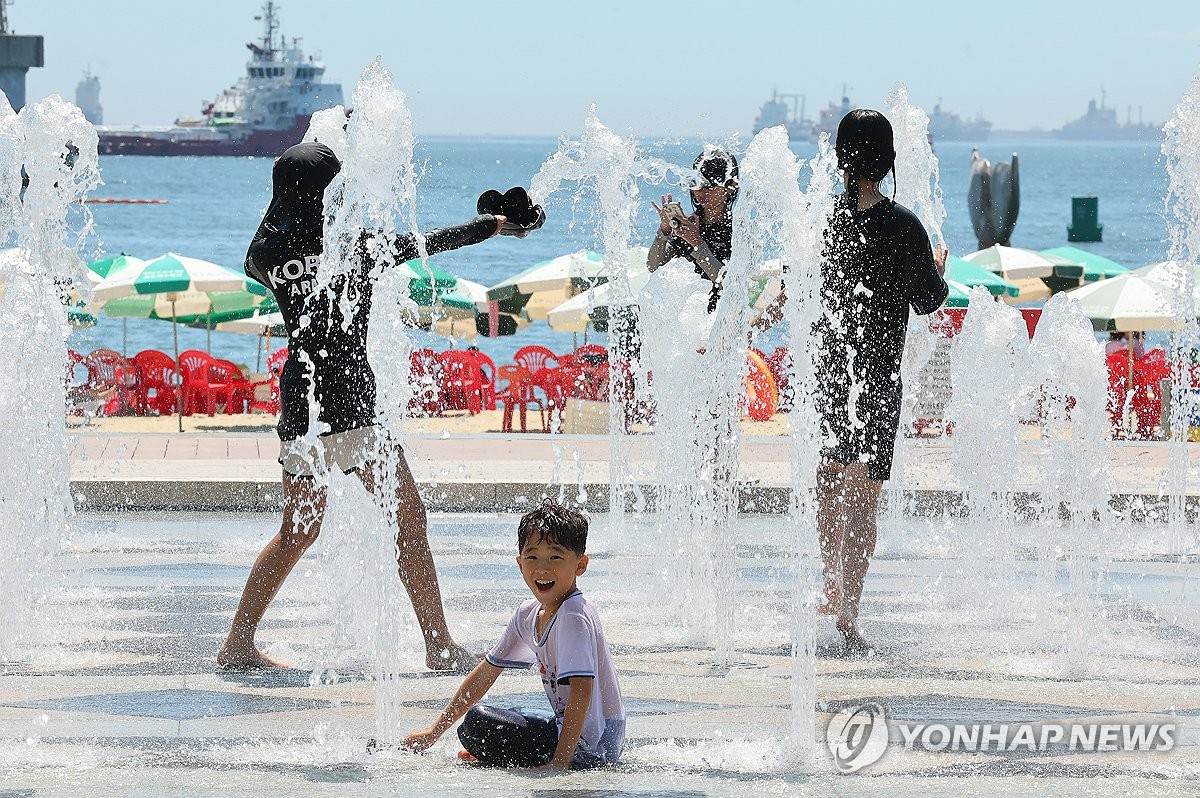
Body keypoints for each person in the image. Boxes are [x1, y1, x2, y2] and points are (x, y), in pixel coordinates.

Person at [217, 142, 542, 671]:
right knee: (408, 519)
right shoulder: (353, 247)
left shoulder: (265, 255)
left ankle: (237, 643)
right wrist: (494, 223)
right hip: (348, 404)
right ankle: (438, 646)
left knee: (298, 530)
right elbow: (433, 240)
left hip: (300, 403)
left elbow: (263, 252)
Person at [817, 110, 948, 653]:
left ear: (841, 160)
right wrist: (936, 269)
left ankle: (830, 580)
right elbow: (929, 301)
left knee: (828, 481)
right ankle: (849, 609)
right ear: (889, 160)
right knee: (863, 496)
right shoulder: (905, 227)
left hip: (832, 371)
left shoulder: (827, 223)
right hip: (878, 376)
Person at [403, 499, 625, 770]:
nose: (542, 569)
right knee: (486, 723)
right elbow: (485, 674)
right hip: (572, 733)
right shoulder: (529, 613)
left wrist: (559, 763)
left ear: (580, 564)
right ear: (520, 563)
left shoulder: (573, 616)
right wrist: (433, 732)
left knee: (477, 723)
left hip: (594, 746)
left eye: (555, 557)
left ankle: (555, 755)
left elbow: (581, 692)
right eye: (532, 557)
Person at [647, 146, 739, 313]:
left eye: (709, 186)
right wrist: (665, 231)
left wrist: (697, 244)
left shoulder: (739, 232)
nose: (700, 192)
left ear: (730, 186)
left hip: (720, 321)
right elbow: (654, 266)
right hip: (686, 321)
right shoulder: (688, 226)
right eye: (695, 184)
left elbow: (732, 286)